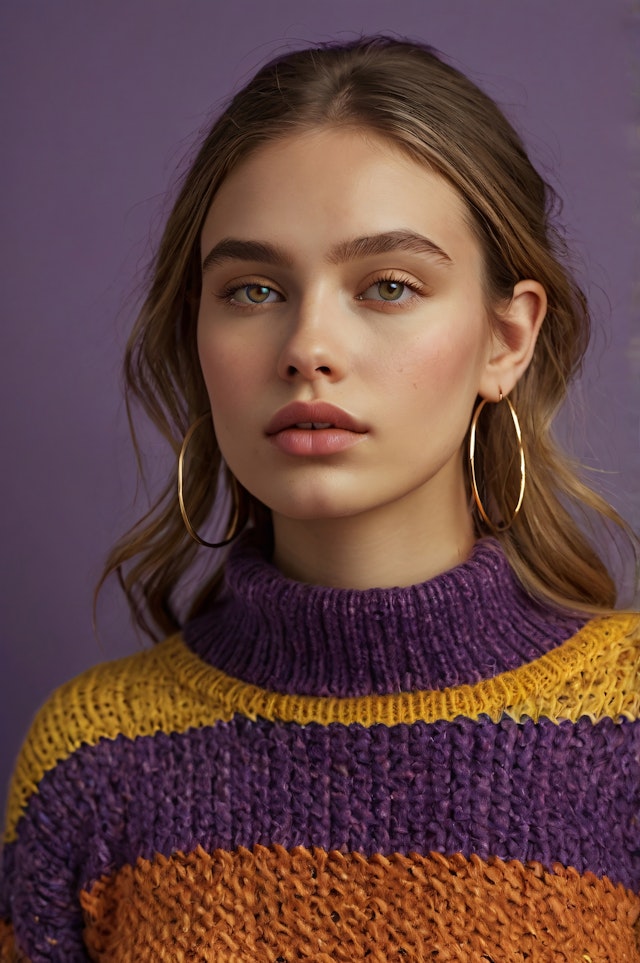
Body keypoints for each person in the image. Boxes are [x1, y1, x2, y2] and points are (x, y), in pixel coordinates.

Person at [1, 36, 638, 962]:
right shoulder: (94, 759)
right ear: (199, 335)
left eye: (387, 286)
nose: (307, 344)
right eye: (254, 288)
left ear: (506, 338)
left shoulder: (624, 725)